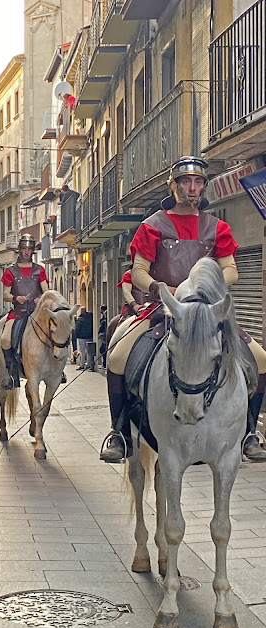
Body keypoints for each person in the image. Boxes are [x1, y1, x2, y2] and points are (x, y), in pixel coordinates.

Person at [101, 156, 266, 463]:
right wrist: (164, 290)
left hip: (207, 310)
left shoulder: (217, 227)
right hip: (164, 309)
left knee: (260, 359)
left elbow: (231, 270)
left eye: (198, 182)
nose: (192, 188)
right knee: (118, 357)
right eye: (186, 182)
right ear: (173, 186)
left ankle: (249, 433)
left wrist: (206, 287)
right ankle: (119, 433)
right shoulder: (152, 225)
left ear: (204, 186)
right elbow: (139, 272)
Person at [0, 234, 49, 389]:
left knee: (56, 331)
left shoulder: (39, 270)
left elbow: (46, 292)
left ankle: (57, 369)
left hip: (37, 312)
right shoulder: (10, 271)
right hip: (19, 312)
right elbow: (5, 295)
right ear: (19, 250)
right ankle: (12, 372)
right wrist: (16, 298)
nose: (26, 252)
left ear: (32, 251)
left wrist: (40, 299)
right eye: (24, 249)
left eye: (29, 249)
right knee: (5, 338)